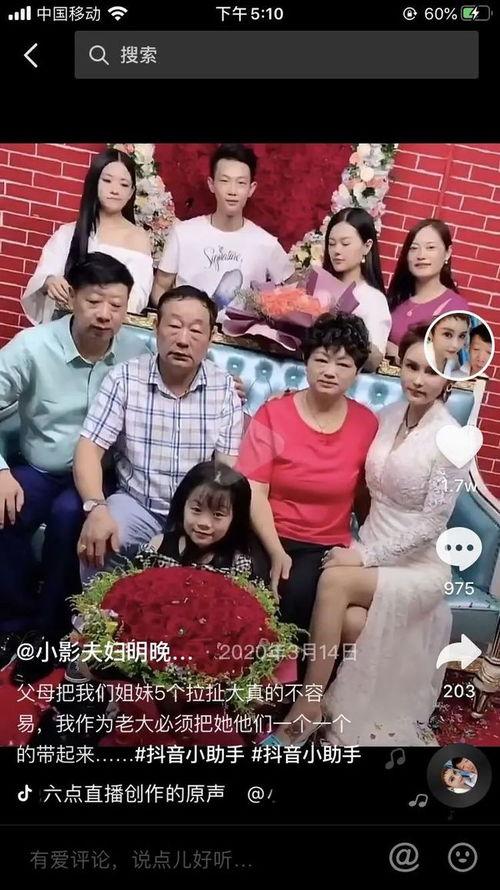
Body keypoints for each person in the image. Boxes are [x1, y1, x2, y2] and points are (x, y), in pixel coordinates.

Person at [261, 323, 468, 747]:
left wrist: (364, 557)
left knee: (333, 579)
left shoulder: (453, 440)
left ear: (448, 378)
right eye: (411, 366)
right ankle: (321, 700)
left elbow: (433, 523)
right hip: (372, 547)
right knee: (350, 621)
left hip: (417, 565)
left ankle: (308, 705)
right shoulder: (385, 417)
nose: (418, 379)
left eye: (431, 371)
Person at [0, 253, 156, 683]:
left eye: (116, 305)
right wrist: (0, 472)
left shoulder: (136, 352)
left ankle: (48, 633)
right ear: (72, 299)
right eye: (94, 301)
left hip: (99, 478)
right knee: (6, 512)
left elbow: (178, 369)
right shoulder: (33, 347)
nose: (105, 314)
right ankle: (13, 622)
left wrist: (229, 383)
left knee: (72, 517)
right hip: (40, 467)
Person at [75, 286, 244, 577]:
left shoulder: (225, 388)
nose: (183, 340)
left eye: (195, 331)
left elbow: (226, 469)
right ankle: (99, 609)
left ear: (211, 337)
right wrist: (97, 507)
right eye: (174, 326)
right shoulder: (125, 378)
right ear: (156, 327)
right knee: (102, 537)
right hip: (136, 505)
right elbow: (89, 448)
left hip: (197, 513)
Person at [236, 313, 378, 646]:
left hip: (325, 546)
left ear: (357, 371)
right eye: (322, 360)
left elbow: (366, 498)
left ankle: (288, 675)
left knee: (299, 593)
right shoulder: (274, 413)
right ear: (306, 359)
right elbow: (254, 490)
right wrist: (276, 551)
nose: (330, 371)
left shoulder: (367, 424)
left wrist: (371, 551)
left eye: (343, 364)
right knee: (253, 586)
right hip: (267, 532)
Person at [151, 143, 295, 314]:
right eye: (225, 181)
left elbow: (294, 293)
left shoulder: (267, 244)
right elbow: (160, 287)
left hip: (242, 331)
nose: (232, 191)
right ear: (211, 184)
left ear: (251, 189)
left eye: (241, 183)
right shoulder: (183, 234)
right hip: (190, 328)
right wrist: (177, 319)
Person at [21, 148, 154, 324]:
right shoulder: (67, 233)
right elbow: (43, 276)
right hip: (64, 325)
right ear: (94, 183)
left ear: (131, 192)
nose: (115, 190)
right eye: (107, 181)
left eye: (123, 184)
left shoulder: (139, 238)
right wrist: (49, 281)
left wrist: (100, 309)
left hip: (110, 328)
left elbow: (138, 297)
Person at [322, 208, 391, 370]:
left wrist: (345, 334)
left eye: (345, 243)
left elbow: (373, 360)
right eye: (331, 244)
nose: (337, 251)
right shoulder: (319, 287)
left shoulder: (373, 299)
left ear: (367, 246)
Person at [387, 218, 469, 353]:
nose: (421, 255)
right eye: (414, 248)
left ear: (447, 253)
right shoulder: (397, 297)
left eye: (430, 247)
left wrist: (393, 350)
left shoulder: (455, 307)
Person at [425, 313, 471, 379]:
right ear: (430, 334)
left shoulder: (453, 360)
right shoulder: (421, 357)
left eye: (462, 336)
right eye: (447, 334)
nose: (455, 345)